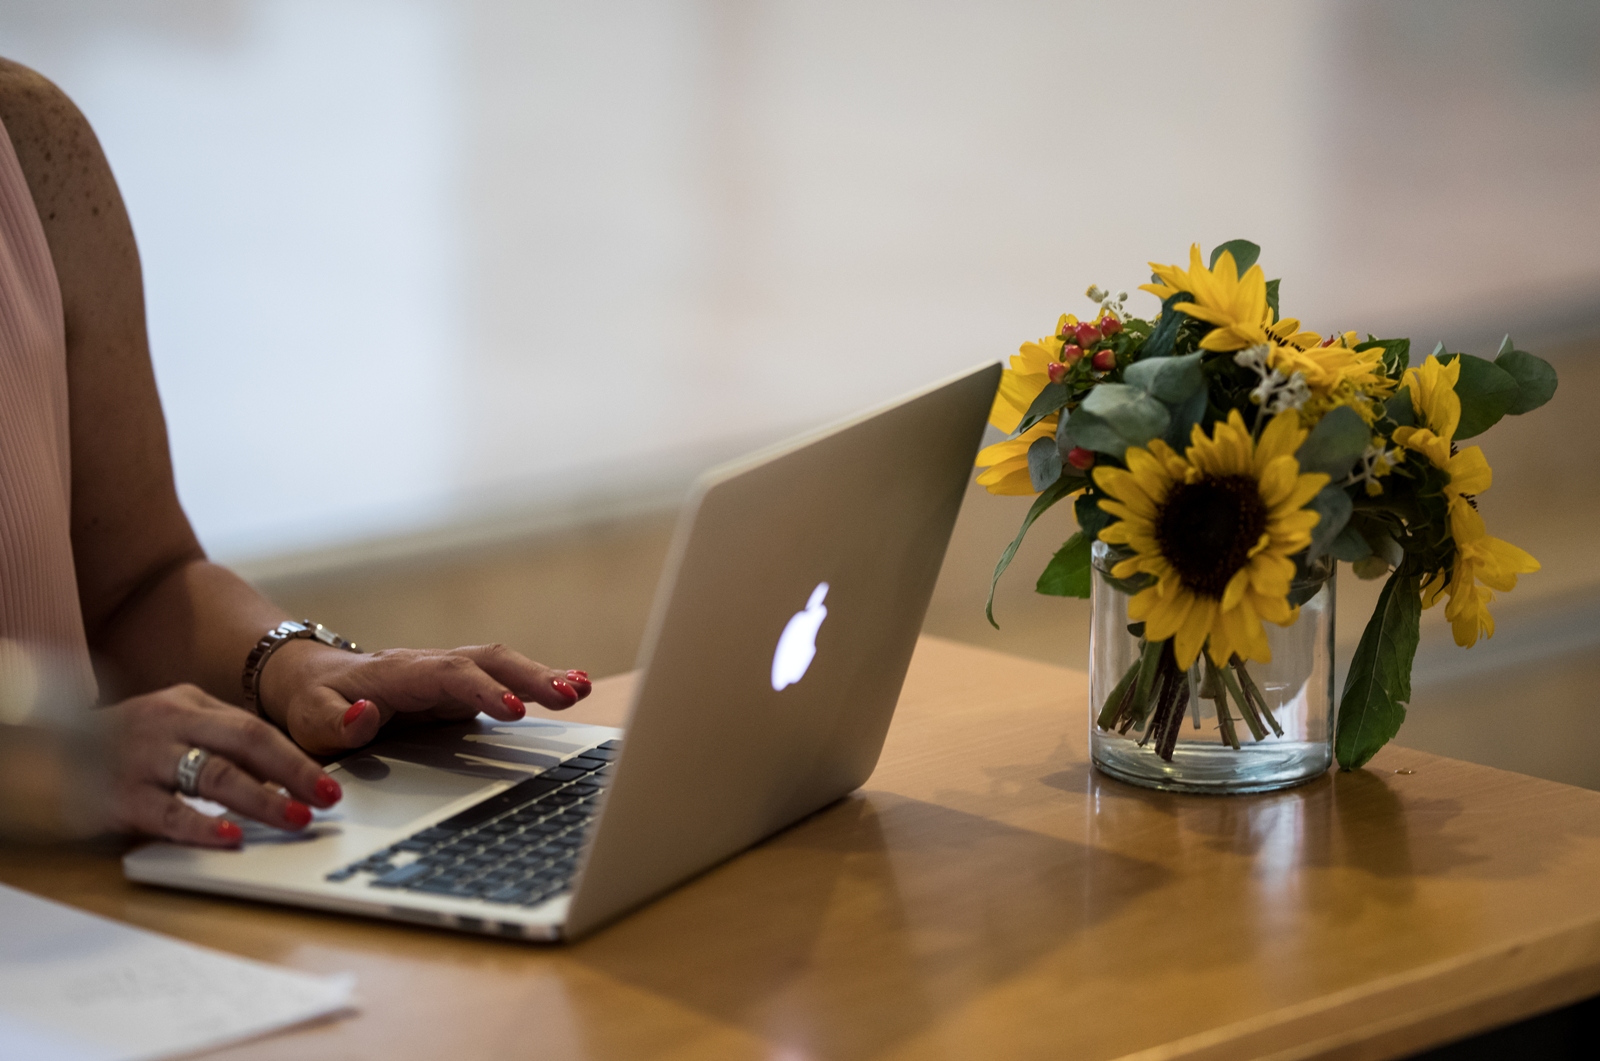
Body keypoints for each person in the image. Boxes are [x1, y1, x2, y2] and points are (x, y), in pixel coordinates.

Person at [0, 59, 592, 847]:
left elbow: (136, 585)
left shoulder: (32, 142)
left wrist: (298, 670)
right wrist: (50, 765)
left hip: (88, 919)